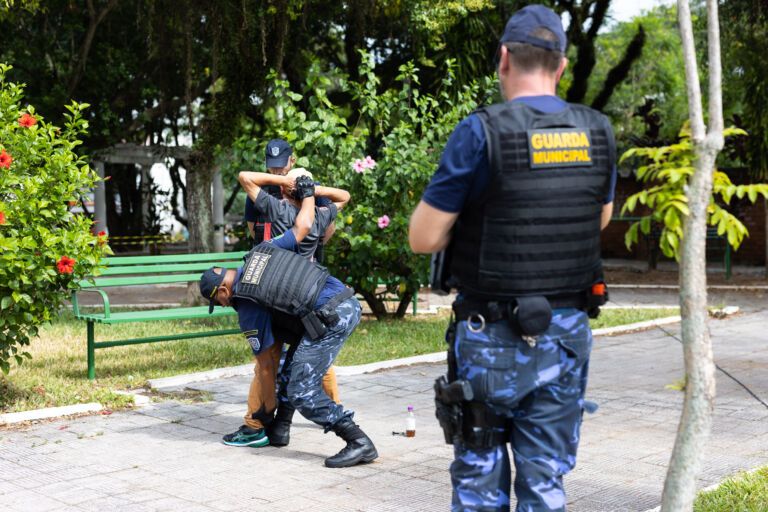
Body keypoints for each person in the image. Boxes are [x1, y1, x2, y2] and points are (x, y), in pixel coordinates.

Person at [408, 5, 616, 511]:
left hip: (491, 337)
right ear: (561, 66)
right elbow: (601, 220)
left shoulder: (480, 133)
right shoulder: (598, 131)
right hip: (567, 333)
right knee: (546, 481)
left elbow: (423, 237)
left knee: (480, 484)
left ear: (504, 59)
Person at [199, 188, 377, 468]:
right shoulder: (261, 251)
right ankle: (281, 429)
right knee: (295, 368)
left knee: (302, 391)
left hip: (333, 316)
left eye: (218, 302)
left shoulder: (246, 302)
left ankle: (358, 441)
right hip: (341, 300)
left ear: (223, 290)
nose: (223, 306)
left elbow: (267, 365)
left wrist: (263, 412)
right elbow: (301, 228)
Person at [221, 147, 350, 449]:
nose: (278, 175)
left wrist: (286, 188)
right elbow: (338, 207)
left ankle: (256, 423)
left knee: (267, 359)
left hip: (274, 294)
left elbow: (248, 194)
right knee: (318, 355)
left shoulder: (277, 210)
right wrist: (309, 191)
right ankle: (337, 415)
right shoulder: (317, 213)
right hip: (309, 294)